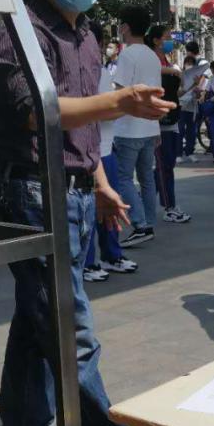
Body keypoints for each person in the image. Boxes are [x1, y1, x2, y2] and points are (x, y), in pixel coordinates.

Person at [0, 0, 171, 426]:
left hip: (71, 189)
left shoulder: (86, 34)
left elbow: (80, 125)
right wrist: (119, 101)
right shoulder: (17, 32)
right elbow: (36, 112)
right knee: (69, 323)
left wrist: (100, 182)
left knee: (37, 313)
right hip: (30, 192)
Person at [84, 45, 140, 283]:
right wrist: (122, 106)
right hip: (86, 153)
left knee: (112, 208)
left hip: (107, 149)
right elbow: (91, 111)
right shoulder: (77, 73)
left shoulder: (105, 72)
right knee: (88, 212)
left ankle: (111, 255)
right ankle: (87, 263)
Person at [113, 6, 164, 248]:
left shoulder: (127, 54)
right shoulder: (152, 55)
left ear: (125, 27)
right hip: (150, 127)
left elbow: (120, 92)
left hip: (128, 128)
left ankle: (140, 224)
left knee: (123, 178)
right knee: (147, 178)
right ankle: (149, 223)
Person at [147, 25, 191, 224]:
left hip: (172, 119)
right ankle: (169, 206)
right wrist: (173, 71)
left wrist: (192, 83)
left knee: (168, 165)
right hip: (159, 122)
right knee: (164, 166)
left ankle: (147, 200)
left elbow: (176, 93)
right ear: (156, 40)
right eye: (166, 37)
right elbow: (152, 72)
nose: (170, 41)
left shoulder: (167, 62)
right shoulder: (152, 60)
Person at [177, 41, 204, 163]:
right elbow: (178, 92)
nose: (189, 66)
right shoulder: (180, 76)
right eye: (187, 64)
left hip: (192, 108)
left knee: (191, 131)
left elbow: (198, 94)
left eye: (191, 64)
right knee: (180, 130)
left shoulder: (196, 78)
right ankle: (178, 153)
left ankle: (190, 152)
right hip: (181, 107)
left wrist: (198, 90)